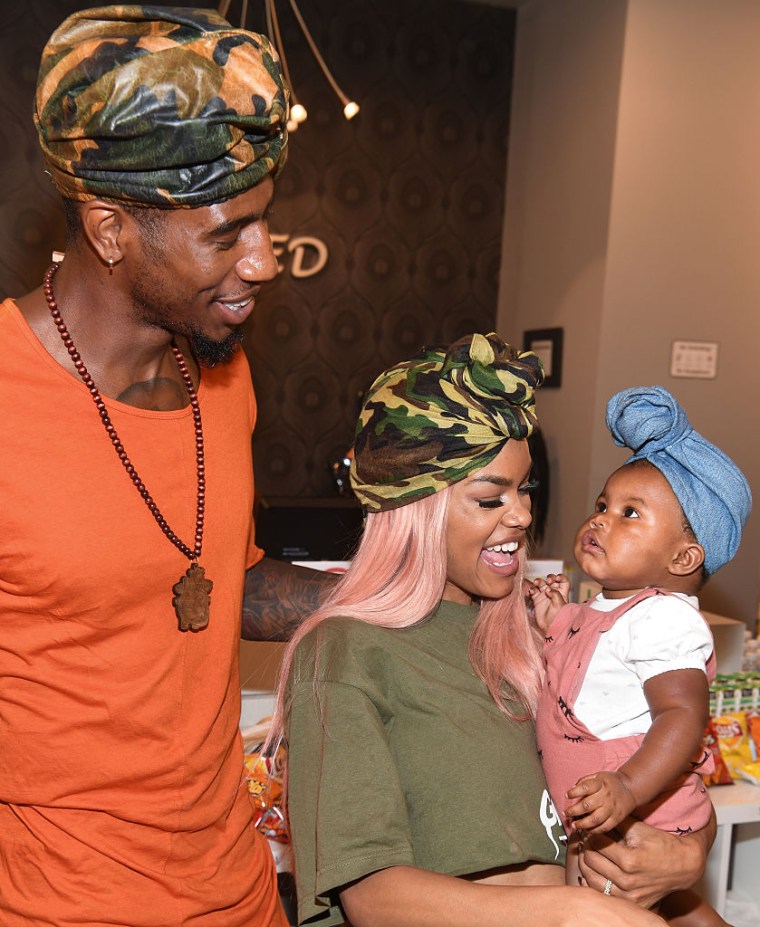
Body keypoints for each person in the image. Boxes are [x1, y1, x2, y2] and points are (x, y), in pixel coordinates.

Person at [0, 6, 329, 925]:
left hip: (241, 892)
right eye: (227, 235)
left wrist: (412, 593)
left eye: (264, 224)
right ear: (110, 229)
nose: (264, 262)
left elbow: (221, 576)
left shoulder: (220, 370)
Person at [268, 335, 715, 927]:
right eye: (489, 498)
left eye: (524, 488)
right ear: (417, 508)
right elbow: (372, 898)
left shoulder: (540, 635)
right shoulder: (346, 653)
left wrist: (688, 852)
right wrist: (567, 912)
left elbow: (656, 767)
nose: (523, 515)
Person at [529, 385, 752, 926]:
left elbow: (682, 714)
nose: (601, 519)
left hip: (640, 808)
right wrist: (555, 622)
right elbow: (595, 671)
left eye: (630, 513)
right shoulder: (611, 606)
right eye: (602, 505)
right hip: (601, 806)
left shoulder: (665, 617)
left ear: (683, 558)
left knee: (601, 906)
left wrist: (628, 786)